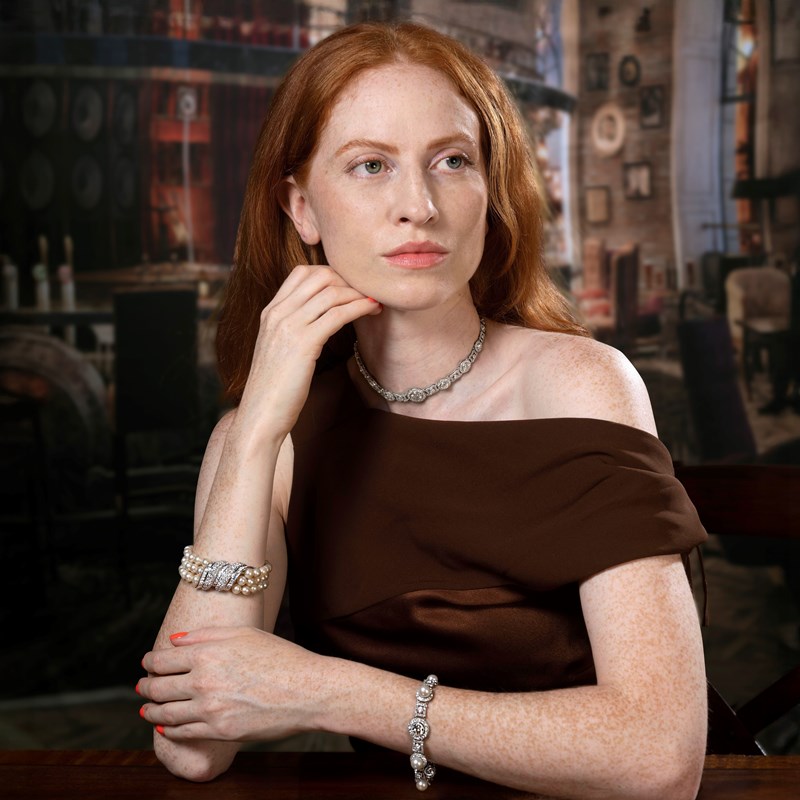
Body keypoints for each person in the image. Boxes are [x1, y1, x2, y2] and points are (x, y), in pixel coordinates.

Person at [137, 21, 708, 799]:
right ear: (302, 208)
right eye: (371, 165)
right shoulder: (262, 441)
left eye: (451, 161)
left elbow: (660, 757)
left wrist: (328, 693)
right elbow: (193, 750)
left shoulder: (581, 384)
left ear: (489, 192)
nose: (419, 205)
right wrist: (259, 425)